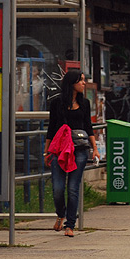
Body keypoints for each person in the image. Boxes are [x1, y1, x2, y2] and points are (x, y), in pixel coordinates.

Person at [44, 70, 100, 237]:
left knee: (73, 188)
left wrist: (94, 148)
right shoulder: (56, 103)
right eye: (81, 80)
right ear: (71, 83)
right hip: (60, 149)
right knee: (58, 188)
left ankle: (70, 225)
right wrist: (47, 151)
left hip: (80, 149)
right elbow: (51, 127)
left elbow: (88, 126)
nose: (84, 83)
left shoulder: (85, 103)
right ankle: (61, 214)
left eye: (84, 80)